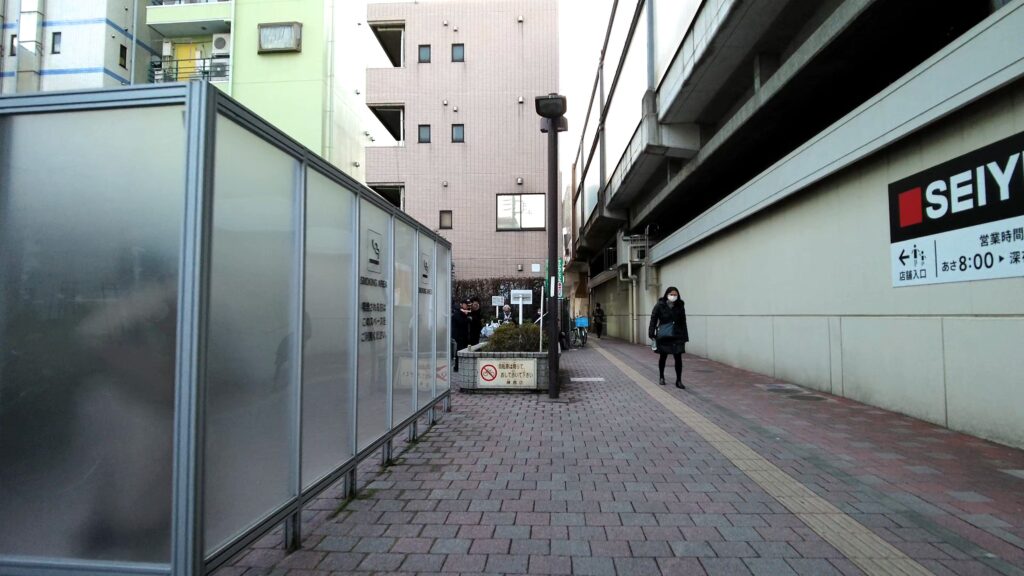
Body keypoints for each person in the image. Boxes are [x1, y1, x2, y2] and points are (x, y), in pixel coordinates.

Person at [648, 286, 689, 389]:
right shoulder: (660, 305)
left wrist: (685, 336)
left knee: (678, 357)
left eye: (675, 295)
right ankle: (661, 377)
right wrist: (651, 332)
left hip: (677, 334)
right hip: (665, 335)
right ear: (667, 294)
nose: (673, 296)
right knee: (663, 356)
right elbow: (653, 319)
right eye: (671, 294)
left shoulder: (680, 305)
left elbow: (683, 321)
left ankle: (678, 380)